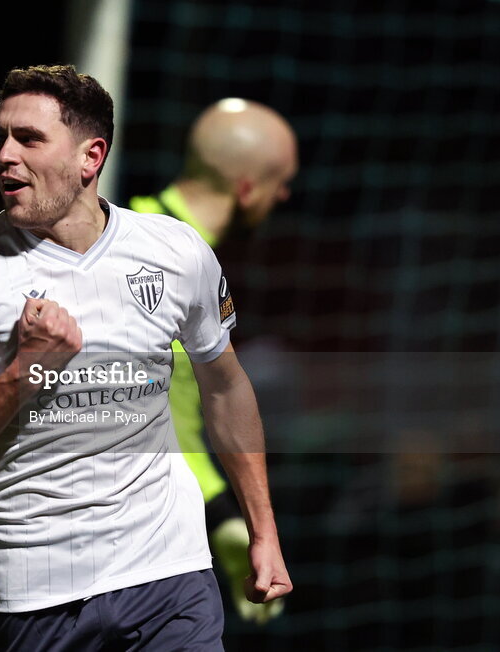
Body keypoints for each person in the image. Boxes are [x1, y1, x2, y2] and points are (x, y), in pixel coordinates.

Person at [0, 65, 290, 651]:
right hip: (36, 591)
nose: (4, 155)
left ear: (91, 157)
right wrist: (26, 371)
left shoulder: (176, 250)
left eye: (28, 139)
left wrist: (263, 528)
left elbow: (226, 386)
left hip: (170, 573)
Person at [130, 98, 298, 625]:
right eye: (280, 181)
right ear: (246, 188)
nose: (285, 195)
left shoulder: (145, 226)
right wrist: (224, 514)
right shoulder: (164, 261)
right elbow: (149, 421)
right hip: (124, 550)